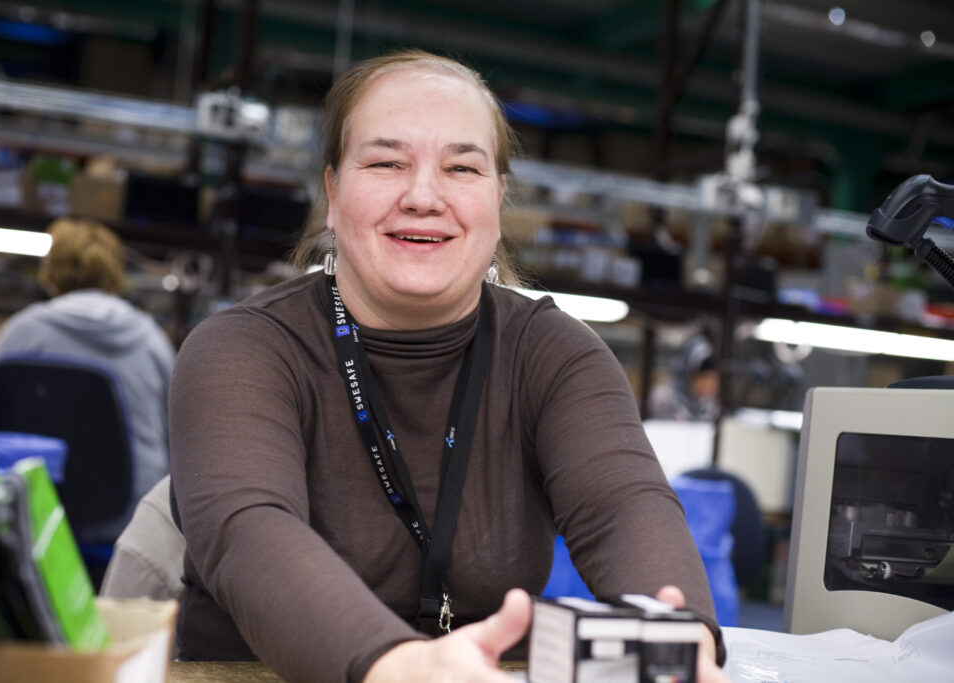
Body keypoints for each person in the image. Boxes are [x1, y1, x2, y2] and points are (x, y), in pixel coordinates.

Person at [169, 49, 728, 682]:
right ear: (332, 193)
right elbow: (249, 531)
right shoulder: (243, 349)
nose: (424, 196)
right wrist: (400, 665)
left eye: (462, 167)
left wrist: (681, 645)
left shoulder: (554, 353)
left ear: (497, 198)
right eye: (386, 163)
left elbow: (622, 507)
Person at [0, 217, 176, 514]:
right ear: (115, 273)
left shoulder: (21, 331)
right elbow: (182, 441)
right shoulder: (150, 341)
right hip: (124, 524)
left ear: (50, 274)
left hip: (28, 519)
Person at [648, 334, 721, 421]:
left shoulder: (712, 406)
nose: (709, 384)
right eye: (703, 377)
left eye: (712, 378)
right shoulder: (662, 400)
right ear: (687, 374)